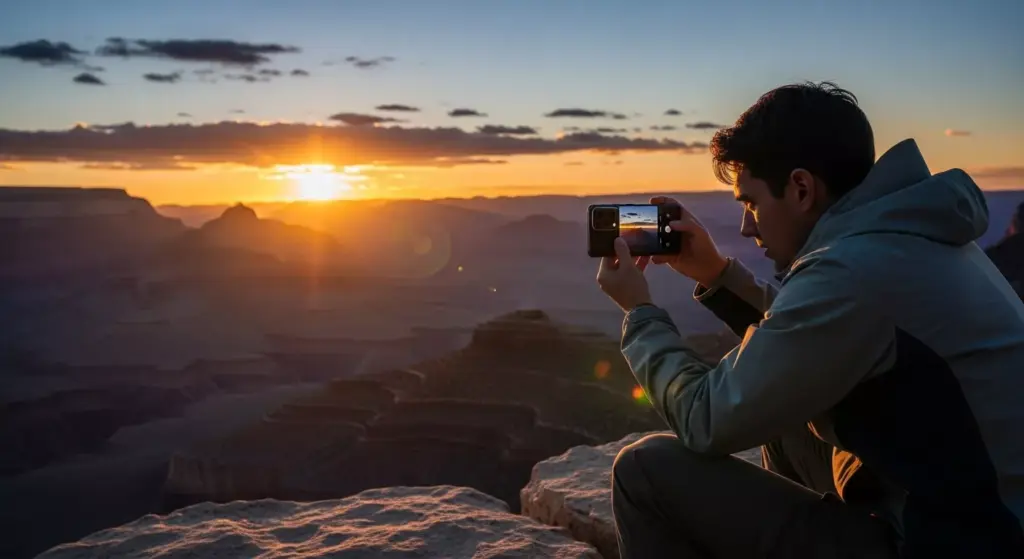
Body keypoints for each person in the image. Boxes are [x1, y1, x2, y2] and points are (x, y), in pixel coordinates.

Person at [595, 81, 1024, 558]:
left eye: (752, 202)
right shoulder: (906, 232)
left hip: (961, 541)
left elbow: (704, 418)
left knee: (644, 472)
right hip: (972, 508)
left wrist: (639, 313)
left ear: (801, 188)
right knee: (780, 415)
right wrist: (717, 275)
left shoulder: (853, 270)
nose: (746, 225)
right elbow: (810, 336)